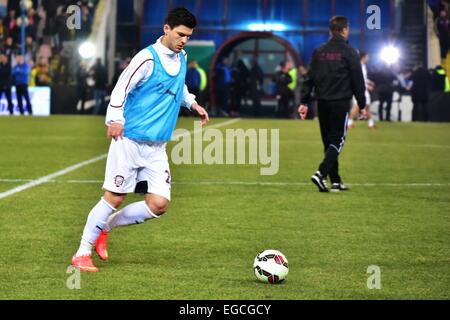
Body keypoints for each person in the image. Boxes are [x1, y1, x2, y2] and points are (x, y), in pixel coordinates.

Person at [71, 7, 209, 272]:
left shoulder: (182, 57)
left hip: (157, 146)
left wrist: (192, 103)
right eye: (181, 34)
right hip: (130, 140)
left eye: (188, 36)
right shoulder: (146, 59)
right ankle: (81, 253)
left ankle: (105, 227)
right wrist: (114, 120)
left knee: (159, 204)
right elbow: (121, 88)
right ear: (166, 28)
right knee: (114, 197)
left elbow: (178, 87)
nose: (184, 40)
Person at [298, 15, 366, 192]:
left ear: (330, 31)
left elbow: (309, 77)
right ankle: (321, 174)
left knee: (328, 142)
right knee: (338, 140)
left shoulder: (318, 51)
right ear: (344, 30)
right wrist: (362, 104)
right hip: (340, 102)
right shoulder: (351, 52)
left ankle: (335, 180)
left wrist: (304, 101)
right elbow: (358, 80)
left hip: (322, 102)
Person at [348, 52, 376, 129]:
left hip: (363, 89)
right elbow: (359, 80)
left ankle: (371, 124)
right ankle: (349, 123)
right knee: (356, 106)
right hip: (359, 90)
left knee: (367, 106)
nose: (368, 58)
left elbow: (363, 78)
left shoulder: (363, 66)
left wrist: (369, 82)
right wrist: (368, 86)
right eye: (367, 57)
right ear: (363, 57)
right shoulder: (359, 66)